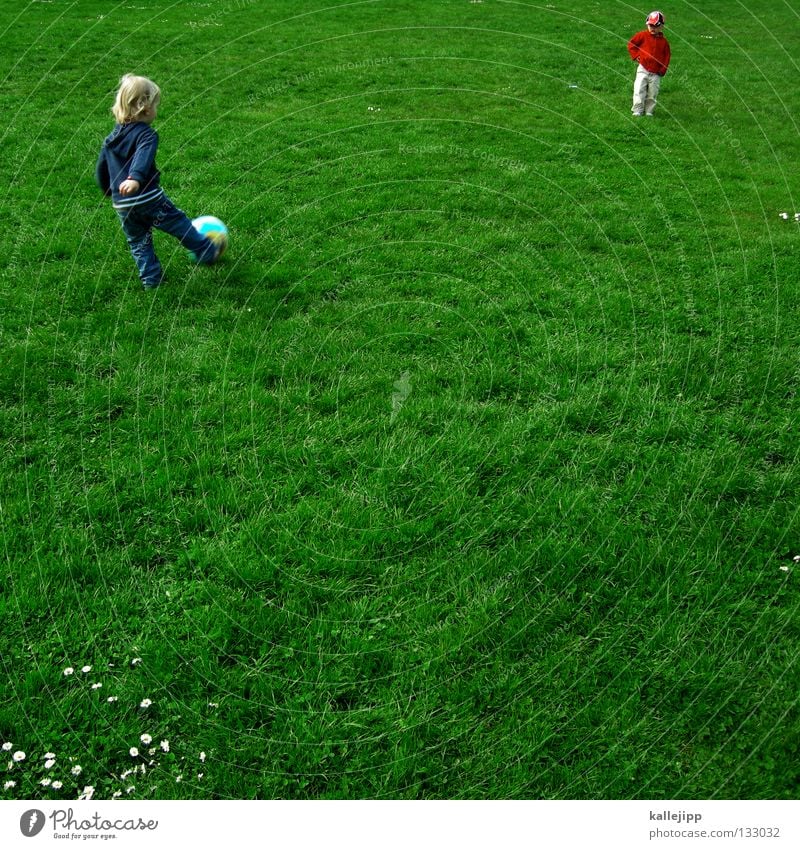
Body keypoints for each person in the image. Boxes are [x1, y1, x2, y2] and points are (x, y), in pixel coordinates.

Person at [96, 74, 221, 290]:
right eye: (155, 105)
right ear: (144, 107)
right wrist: (135, 178)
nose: (156, 109)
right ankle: (206, 250)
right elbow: (142, 158)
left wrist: (108, 189)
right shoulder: (147, 135)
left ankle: (151, 280)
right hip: (147, 197)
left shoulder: (111, 138)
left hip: (122, 204)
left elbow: (101, 168)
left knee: (138, 241)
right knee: (178, 223)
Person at [627, 11, 671, 117]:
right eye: (650, 25)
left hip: (656, 72)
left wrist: (662, 69)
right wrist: (636, 55)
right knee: (639, 88)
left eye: (655, 26)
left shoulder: (664, 42)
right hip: (643, 68)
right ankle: (637, 109)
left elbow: (667, 56)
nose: (652, 28)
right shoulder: (642, 35)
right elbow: (631, 44)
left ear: (661, 27)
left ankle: (649, 111)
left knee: (653, 92)